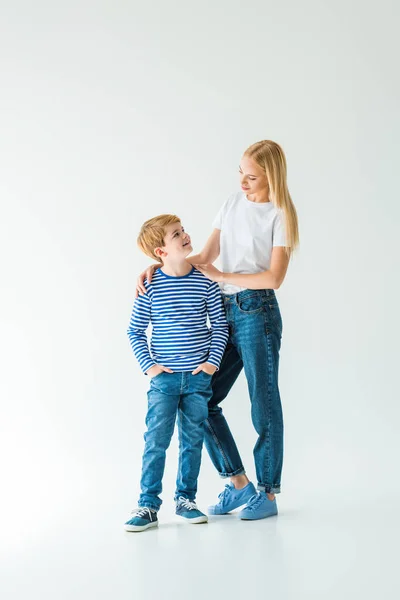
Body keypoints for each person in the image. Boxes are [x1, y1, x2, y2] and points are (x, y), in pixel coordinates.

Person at [136, 140, 299, 521]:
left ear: (270, 176)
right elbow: (204, 257)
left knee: (264, 405)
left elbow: (274, 277)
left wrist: (225, 277)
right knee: (200, 400)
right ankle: (238, 482)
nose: (243, 182)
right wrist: (157, 269)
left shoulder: (280, 215)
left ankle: (268, 495)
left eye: (252, 176)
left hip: (257, 312)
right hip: (225, 315)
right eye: (240, 172)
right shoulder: (231, 204)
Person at [124, 214, 229, 532]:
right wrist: (151, 367)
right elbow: (134, 331)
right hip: (164, 381)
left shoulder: (204, 280)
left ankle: (185, 500)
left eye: (183, 230)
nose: (185, 235)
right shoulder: (151, 286)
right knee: (156, 441)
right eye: (175, 234)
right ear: (161, 252)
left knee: (192, 440)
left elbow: (220, 325)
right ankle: (147, 505)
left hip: (198, 379)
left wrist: (211, 364)